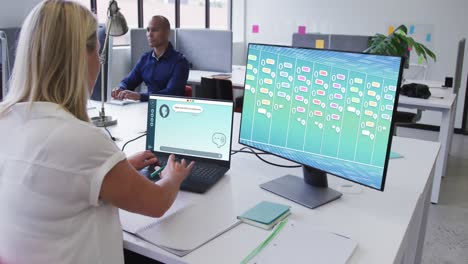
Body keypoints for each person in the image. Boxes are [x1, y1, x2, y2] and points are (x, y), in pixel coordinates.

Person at [0, 1, 194, 264]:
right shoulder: (80, 139)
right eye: (97, 53)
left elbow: (57, 177)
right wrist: (173, 176)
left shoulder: (5, 118)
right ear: (81, 57)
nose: (99, 62)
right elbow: (157, 203)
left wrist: (116, 167)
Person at [112, 15, 189, 102]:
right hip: (146, 107)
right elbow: (128, 81)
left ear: (167, 32)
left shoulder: (180, 62)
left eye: (155, 30)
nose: (150, 34)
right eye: (148, 30)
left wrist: (140, 96)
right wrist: (120, 88)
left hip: (169, 109)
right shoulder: (145, 59)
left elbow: (171, 93)